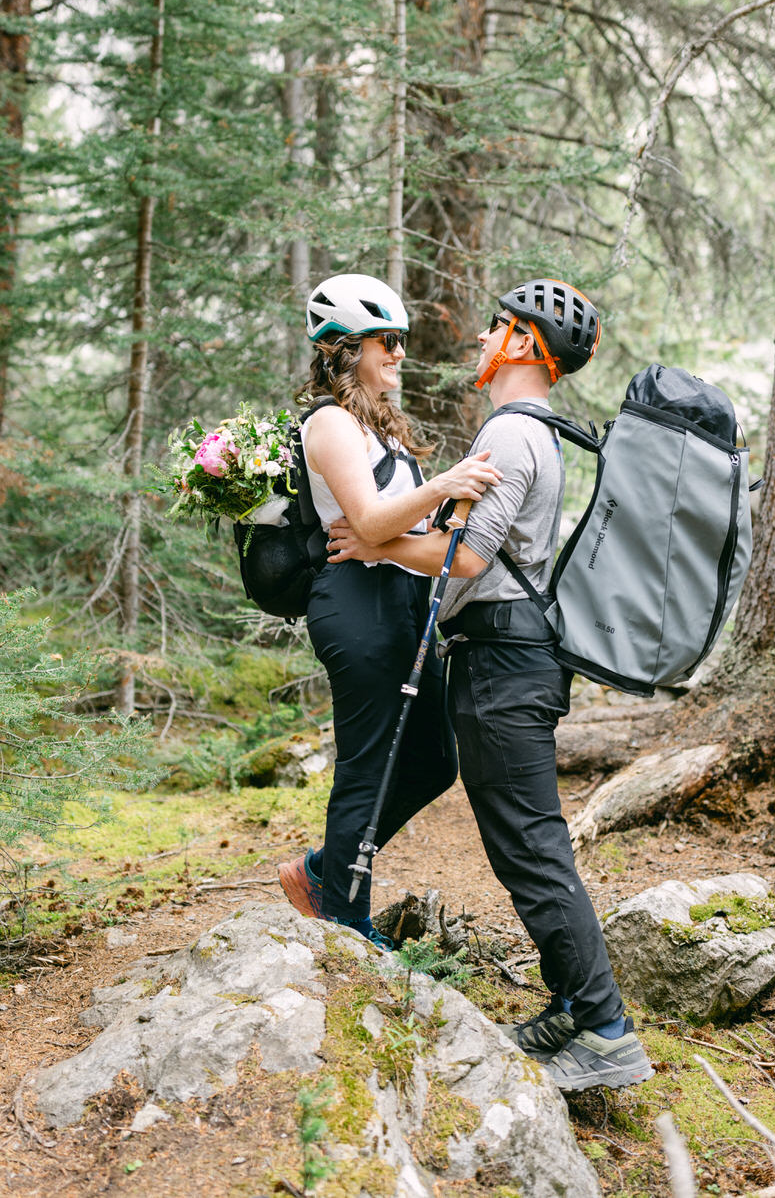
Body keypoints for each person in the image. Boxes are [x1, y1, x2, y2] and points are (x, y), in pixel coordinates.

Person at [327, 278, 653, 1091]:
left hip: (506, 664)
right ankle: (575, 1009)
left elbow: (467, 558)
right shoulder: (525, 431)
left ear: (526, 345)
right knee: (522, 844)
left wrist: (374, 548)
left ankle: (605, 1029)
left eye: (498, 327)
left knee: (532, 846)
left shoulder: (511, 435)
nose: (480, 338)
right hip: (505, 658)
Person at [276, 273, 502, 947]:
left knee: (435, 760)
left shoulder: (382, 429)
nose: (401, 353)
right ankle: (345, 919)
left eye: (401, 340)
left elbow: (392, 527)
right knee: (368, 765)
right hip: (356, 602)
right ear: (345, 349)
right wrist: (443, 484)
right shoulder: (329, 424)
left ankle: (323, 868)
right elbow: (370, 522)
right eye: (387, 341)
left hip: (402, 598)